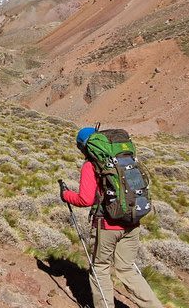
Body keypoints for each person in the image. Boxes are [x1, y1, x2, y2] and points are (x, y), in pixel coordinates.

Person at [60, 127, 162, 308]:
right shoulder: (124, 159)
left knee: (100, 268)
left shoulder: (91, 165)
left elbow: (85, 199)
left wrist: (66, 195)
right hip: (132, 221)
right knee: (127, 268)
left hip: (107, 225)